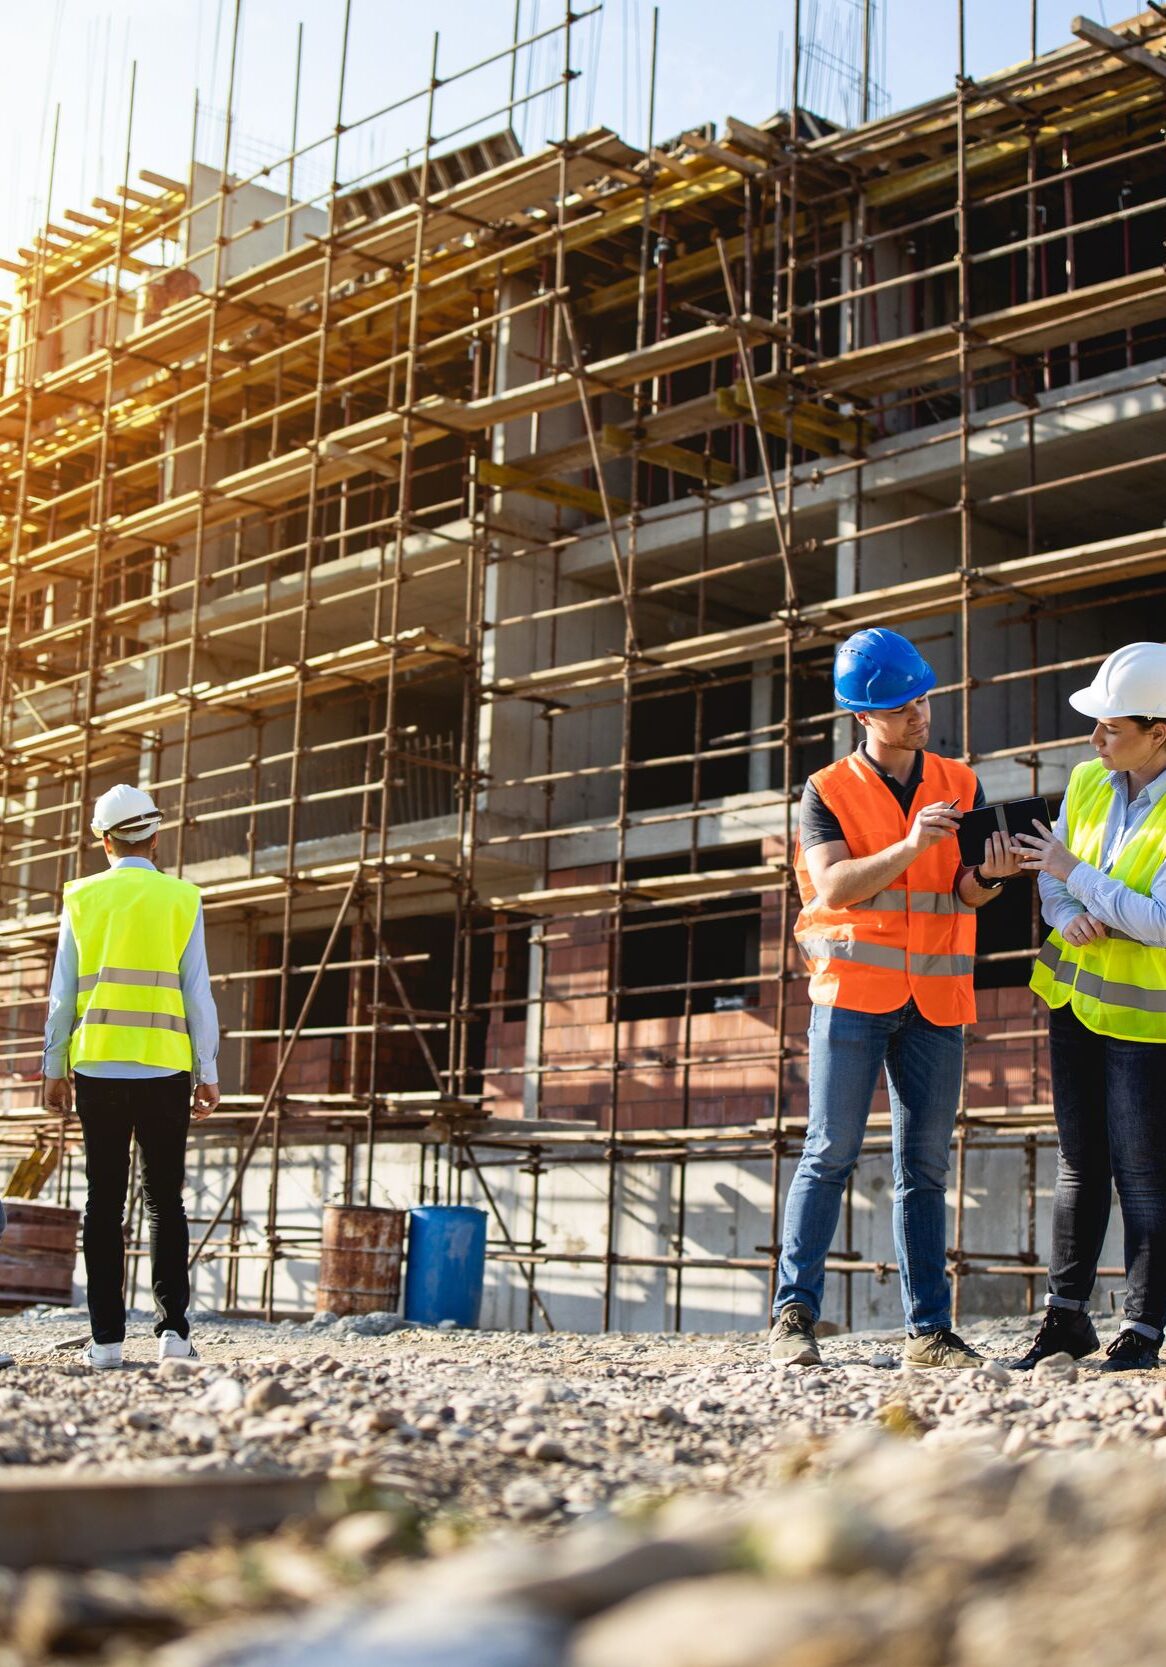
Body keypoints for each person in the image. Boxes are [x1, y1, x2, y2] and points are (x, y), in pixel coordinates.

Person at [770, 628, 1021, 1368]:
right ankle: (793, 1316)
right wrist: (912, 843)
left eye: (923, 696)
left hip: (937, 1002)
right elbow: (836, 884)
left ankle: (931, 1333)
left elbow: (963, 892)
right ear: (864, 714)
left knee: (925, 1168)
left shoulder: (960, 780)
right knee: (829, 1152)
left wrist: (996, 876)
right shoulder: (827, 790)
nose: (920, 711)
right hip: (853, 995)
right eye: (903, 702)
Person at [1012, 642, 1166, 1374]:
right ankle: (1066, 1318)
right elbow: (1051, 872)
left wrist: (1079, 877)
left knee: (1142, 1171)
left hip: (1144, 1018)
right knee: (1079, 1164)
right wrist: (1068, 904)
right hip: (1073, 999)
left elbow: (1158, 918)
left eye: (1110, 727)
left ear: (1160, 730)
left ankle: (1142, 1327)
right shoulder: (1087, 779)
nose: (1095, 739)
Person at [41, 784, 220, 1369]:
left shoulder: (83, 899)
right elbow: (198, 993)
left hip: (96, 1065)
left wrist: (53, 1065)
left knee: (103, 1201)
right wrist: (207, 1067)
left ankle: (106, 1344)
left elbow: (62, 992)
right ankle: (173, 1334)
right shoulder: (181, 899)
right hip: (166, 1066)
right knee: (165, 1200)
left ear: (103, 839)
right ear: (156, 834)